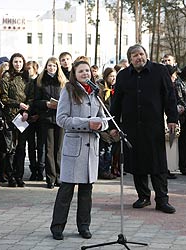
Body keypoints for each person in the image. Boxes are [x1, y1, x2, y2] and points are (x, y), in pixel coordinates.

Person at [110, 44, 178, 214]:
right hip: (131, 127)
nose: (138, 57)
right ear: (130, 59)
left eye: (141, 54)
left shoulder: (160, 71)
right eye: (134, 55)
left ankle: (162, 200)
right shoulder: (123, 75)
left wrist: (172, 119)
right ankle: (143, 197)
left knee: (158, 164)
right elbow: (116, 102)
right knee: (137, 162)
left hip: (153, 126)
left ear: (146, 55)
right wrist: (113, 125)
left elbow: (170, 96)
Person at [50, 60, 108, 240]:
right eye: (81, 71)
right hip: (74, 147)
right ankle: (57, 227)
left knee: (86, 191)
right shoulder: (68, 90)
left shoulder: (96, 92)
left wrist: (101, 125)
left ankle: (84, 226)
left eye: (87, 71)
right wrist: (87, 123)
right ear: (74, 74)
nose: (85, 74)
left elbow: (105, 118)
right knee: (66, 190)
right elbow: (62, 119)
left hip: (91, 148)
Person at [34, 57, 67, 189]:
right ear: (46, 67)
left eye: (54, 66)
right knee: (48, 149)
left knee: (59, 149)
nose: (52, 68)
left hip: (60, 118)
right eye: (49, 65)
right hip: (46, 119)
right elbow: (36, 101)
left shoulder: (63, 82)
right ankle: (50, 178)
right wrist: (46, 104)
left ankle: (59, 176)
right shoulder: (40, 81)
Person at [0, 52, 30, 187]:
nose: (18, 64)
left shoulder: (26, 77)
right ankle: (10, 176)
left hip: (23, 117)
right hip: (11, 116)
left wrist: (26, 110)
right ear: (12, 63)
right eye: (15, 62)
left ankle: (19, 176)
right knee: (10, 149)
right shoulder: (7, 76)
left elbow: (30, 96)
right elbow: (4, 98)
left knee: (21, 148)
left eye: (20, 62)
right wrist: (18, 104)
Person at [25, 61, 44, 181]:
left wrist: (38, 114)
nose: (28, 70)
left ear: (35, 69)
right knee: (31, 145)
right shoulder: (25, 81)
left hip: (40, 117)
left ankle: (41, 169)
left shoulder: (40, 82)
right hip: (28, 117)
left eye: (30, 68)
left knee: (41, 145)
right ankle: (33, 169)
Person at [97, 67, 117, 179]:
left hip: (112, 122)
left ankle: (107, 169)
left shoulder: (115, 88)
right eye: (111, 76)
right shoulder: (101, 89)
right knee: (102, 149)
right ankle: (101, 170)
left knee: (109, 148)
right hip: (104, 121)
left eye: (115, 76)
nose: (113, 78)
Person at [174, 64, 186, 175]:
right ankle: (183, 166)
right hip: (184, 117)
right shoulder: (179, 83)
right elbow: (180, 100)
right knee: (183, 143)